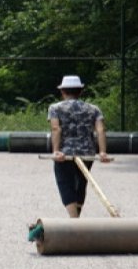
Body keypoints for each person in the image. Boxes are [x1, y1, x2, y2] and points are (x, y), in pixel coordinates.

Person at [48, 75, 111, 217]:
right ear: (80, 91)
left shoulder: (55, 108)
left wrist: (56, 151)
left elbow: (56, 129)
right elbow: (100, 130)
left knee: (65, 183)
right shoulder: (94, 109)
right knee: (81, 183)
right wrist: (102, 152)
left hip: (65, 153)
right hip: (87, 152)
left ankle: (74, 220)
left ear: (63, 91)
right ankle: (76, 218)